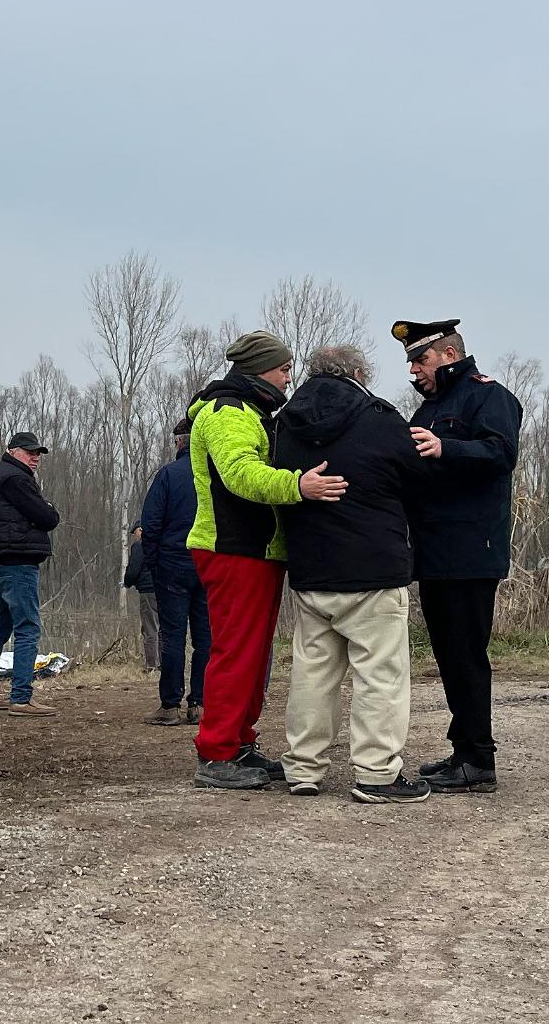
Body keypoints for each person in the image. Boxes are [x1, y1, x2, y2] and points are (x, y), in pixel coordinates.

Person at [185, 330, 348, 789]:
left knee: (253, 655)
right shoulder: (228, 412)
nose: (288, 378)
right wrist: (299, 486)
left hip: (253, 551)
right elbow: (240, 474)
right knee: (236, 653)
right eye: (283, 369)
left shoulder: (250, 411)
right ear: (259, 370)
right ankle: (216, 754)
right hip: (233, 550)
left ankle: (238, 743)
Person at [274, 345, 431, 803]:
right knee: (379, 675)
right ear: (359, 373)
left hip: (311, 570)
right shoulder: (380, 418)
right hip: (373, 568)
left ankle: (303, 769)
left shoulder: (285, 423)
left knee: (312, 674)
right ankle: (376, 773)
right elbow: (418, 479)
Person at [394, 318, 524, 794]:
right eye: (410, 362)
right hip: (434, 551)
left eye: (420, 359)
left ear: (449, 354)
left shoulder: (489, 397)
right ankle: (463, 750)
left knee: (466, 655)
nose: (413, 369)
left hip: (471, 551)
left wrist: (445, 447)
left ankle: (478, 759)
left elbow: (500, 453)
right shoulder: (430, 407)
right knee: (449, 655)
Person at [0, 431, 61, 718]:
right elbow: (48, 518)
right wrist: (48, 507)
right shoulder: (16, 478)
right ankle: (21, 698)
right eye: (29, 452)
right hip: (17, 560)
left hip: (0, 559)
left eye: (38, 453)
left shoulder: (1, 474)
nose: (35, 458)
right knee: (28, 628)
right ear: (12, 451)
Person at [139, 420, 210, 727]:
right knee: (206, 637)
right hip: (209, 564)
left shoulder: (168, 475)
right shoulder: (214, 475)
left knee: (172, 636)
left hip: (172, 564)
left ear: (179, 442)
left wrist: (153, 563)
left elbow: (151, 524)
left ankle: (170, 705)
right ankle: (200, 704)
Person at [122, 525, 160, 674]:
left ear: (141, 530)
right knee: (163, 627)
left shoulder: (140, 546)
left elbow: (134, 568)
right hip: (165, 589)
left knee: (150, 627)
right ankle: (165, 664)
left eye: (136, 532)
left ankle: (152, 666)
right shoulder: (162, 542)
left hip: (148, 590)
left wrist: (127, 582)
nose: (135, 536)